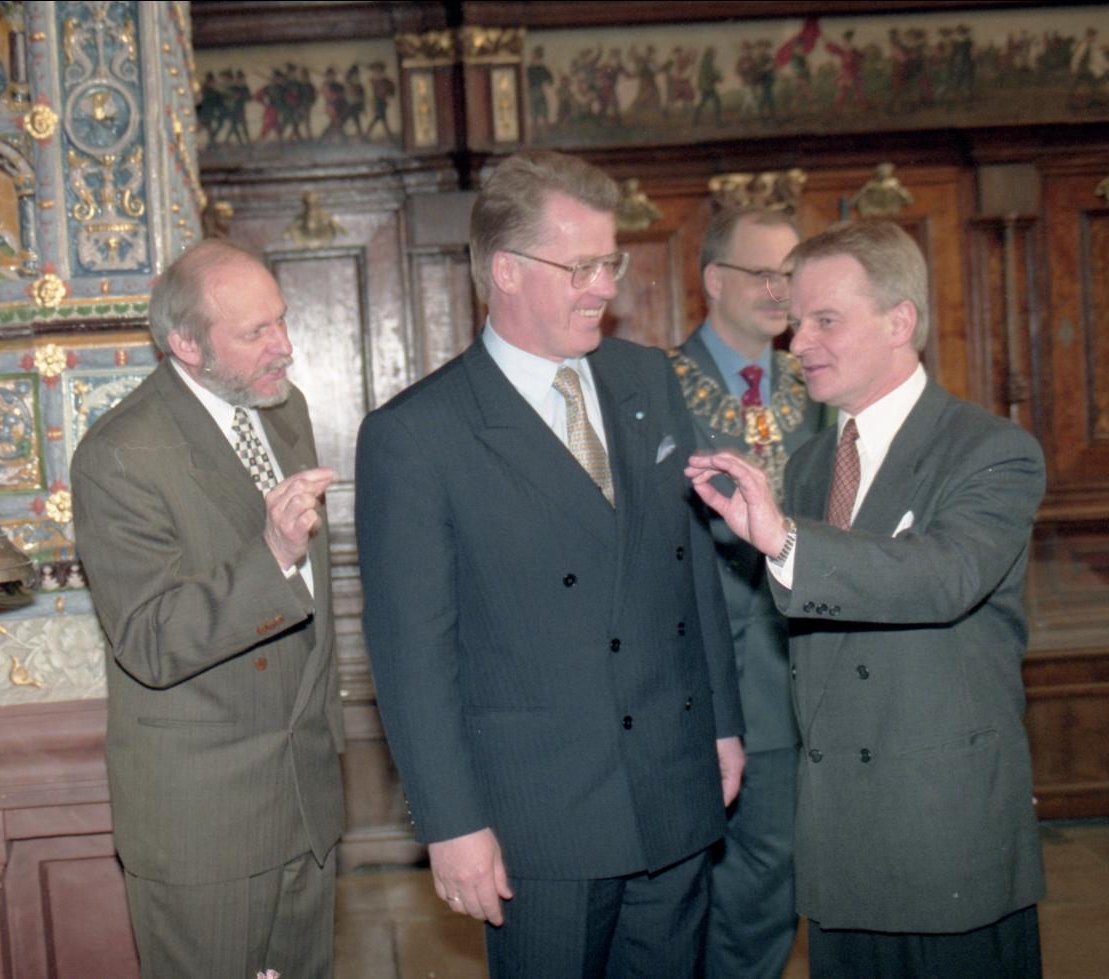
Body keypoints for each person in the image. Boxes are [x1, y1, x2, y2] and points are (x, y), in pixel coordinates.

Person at [356, 150, 745, 977]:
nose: (602, 287)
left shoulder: (647, 379)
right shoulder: (418, 434)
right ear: (505, 270)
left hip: (672, 784)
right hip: (538, 816)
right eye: (580, 267)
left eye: (610, 263)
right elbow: (412, 655)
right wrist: (450, 822)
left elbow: (690, 570)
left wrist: (720, 722)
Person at [686, 220, 1047, 977]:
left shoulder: (989, 449)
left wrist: (785, 541)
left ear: (899, 321)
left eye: (825, 320)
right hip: (838, 837)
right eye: (797, 322)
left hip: (943, 830)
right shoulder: (812, 461)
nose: (798, 343)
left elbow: (943, 576)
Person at [70, 239, 343, 978]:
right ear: (186, 344)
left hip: (305, 796)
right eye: (255, 332)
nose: (283, 346)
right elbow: (149, 639)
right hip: (205, 823)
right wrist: (273, 556)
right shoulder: (120, 453)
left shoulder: (283, 411)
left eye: (280, 320)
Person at [673, 207, 819, 979]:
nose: (779, 291)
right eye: (762, 273)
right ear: (712, 279)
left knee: (768, 889)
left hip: (795, 683)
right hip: (694, 682)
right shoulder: (655, 385)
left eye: (791, 274)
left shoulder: (816, 380)